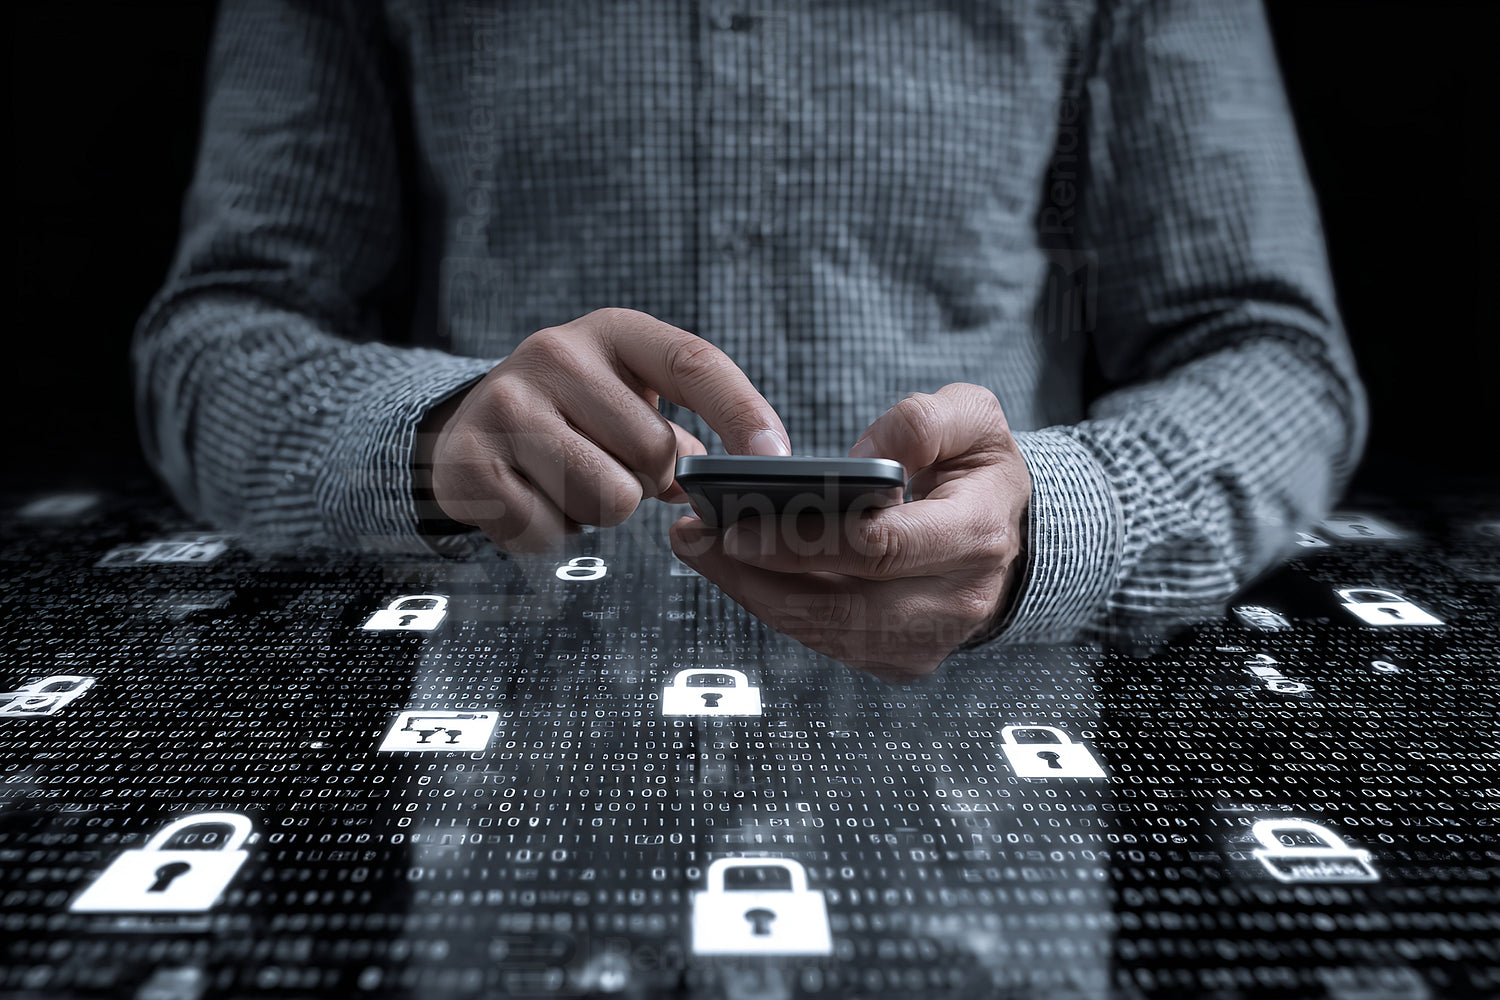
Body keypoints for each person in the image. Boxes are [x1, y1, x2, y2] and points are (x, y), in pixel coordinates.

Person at [134, 1, 1365, 680]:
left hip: (976, 826)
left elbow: (1273, 351)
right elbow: (218, 335)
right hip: (520, 817)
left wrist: (1057, 523)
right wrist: (436, 438)